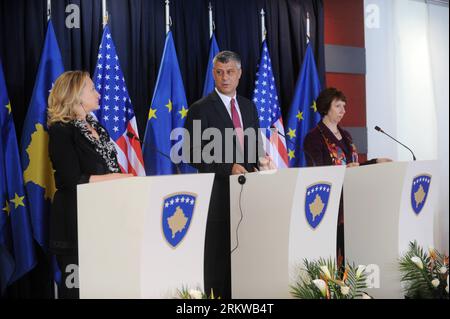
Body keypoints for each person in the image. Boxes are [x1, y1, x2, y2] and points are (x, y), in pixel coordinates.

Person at [184, 51, 266, 298]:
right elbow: (191, 153)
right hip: (217, 200)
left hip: (247, 197)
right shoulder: (200, 109)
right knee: (217, 266)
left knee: (244, 265)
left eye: (230, 72)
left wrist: (262, 161)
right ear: (213, 74)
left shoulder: (248, 106)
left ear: (239, 74)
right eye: (219, 73)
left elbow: (253, 147)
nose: (225, 78)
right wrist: (227, 167)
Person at [47, 71, 133, 298]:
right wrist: (120, 178)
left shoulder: (100, 130)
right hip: (75, 224)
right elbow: (70, 180)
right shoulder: (61, 130)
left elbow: (110, 167)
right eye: (92, 88)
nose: (98, 93)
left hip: (105, 220)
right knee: (78, 291)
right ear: (75, 95)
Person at [303, 87, 391, 268]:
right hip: (330, 205)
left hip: (352, 203)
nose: (344, 111)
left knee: (353, 254)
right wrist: (344, 170)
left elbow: (354, 167)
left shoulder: (346, 135)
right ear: (326, 108)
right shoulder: (313, 138)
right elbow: (317, 171)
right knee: (333, 255)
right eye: (338, 106)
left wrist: (375, 162)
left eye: (344, 106)